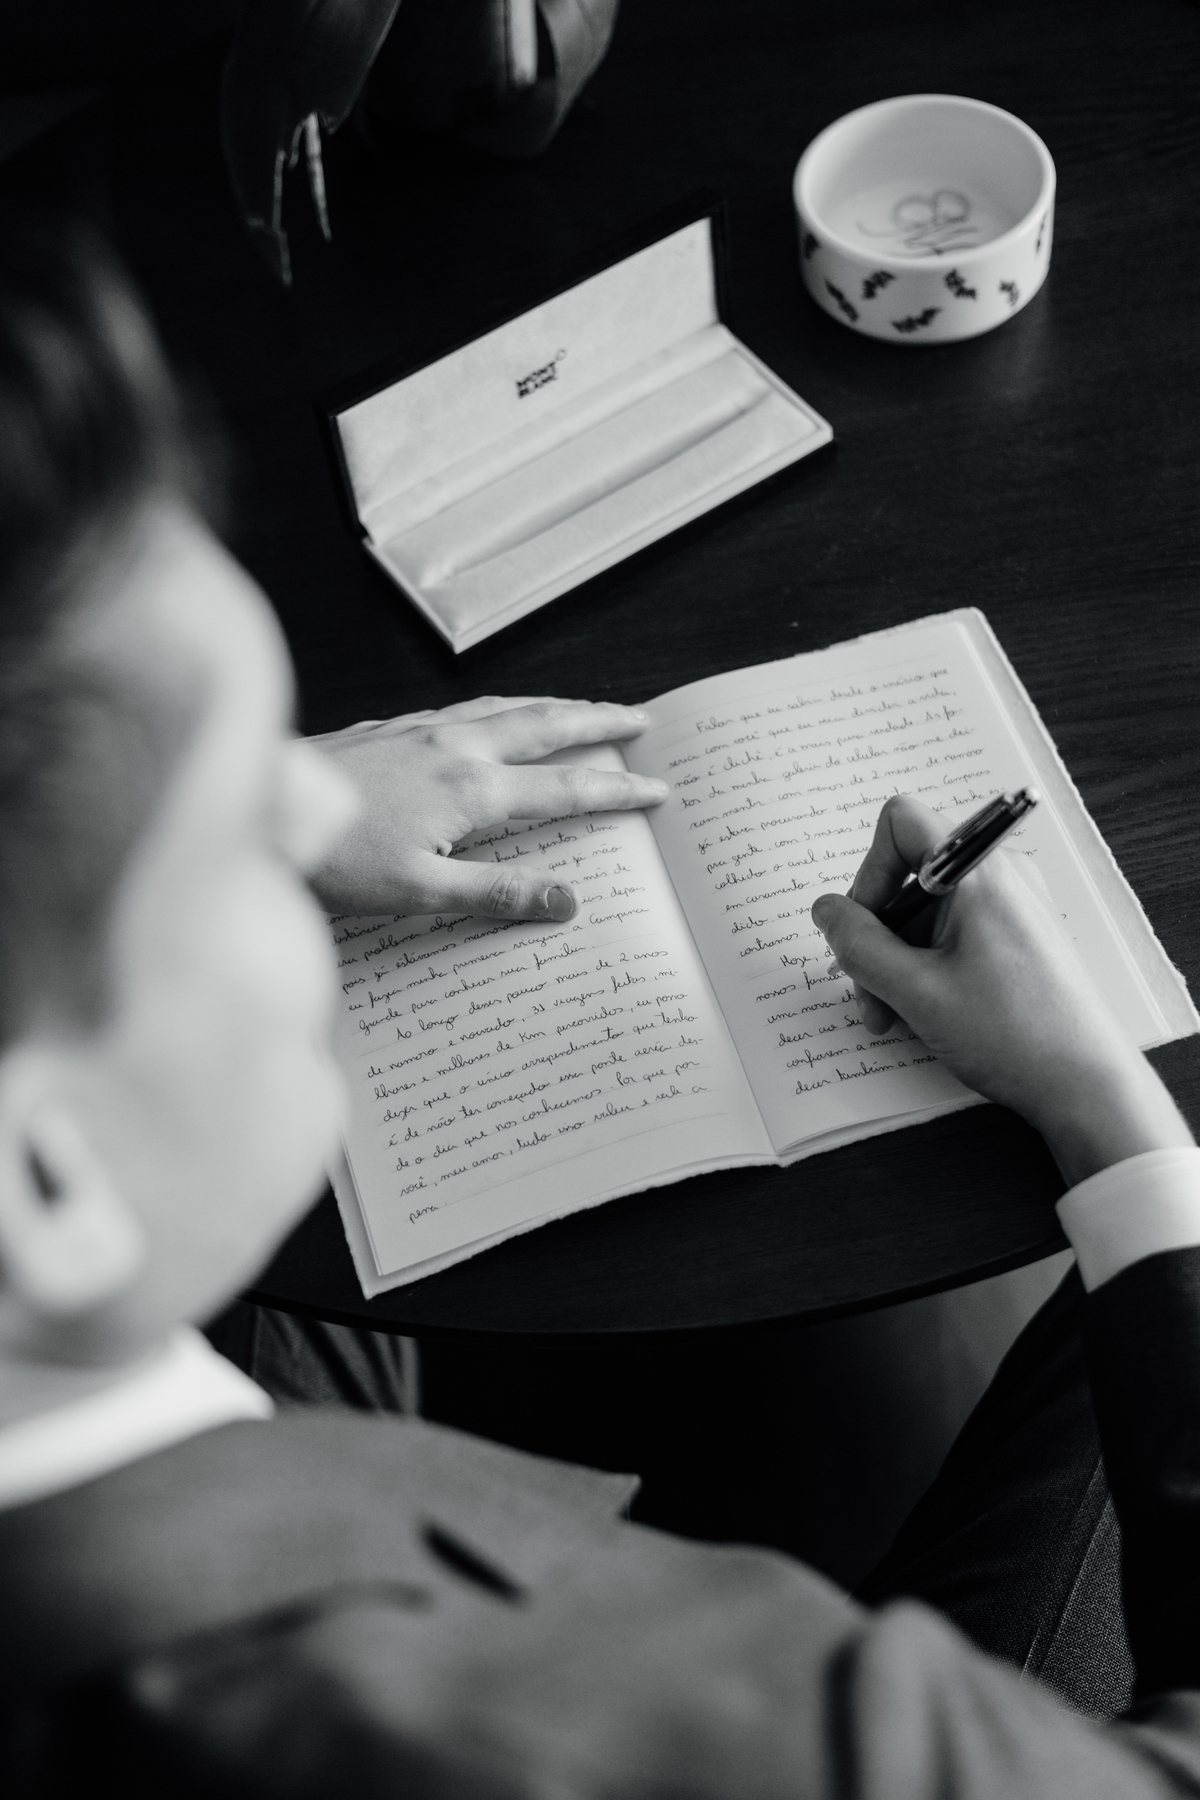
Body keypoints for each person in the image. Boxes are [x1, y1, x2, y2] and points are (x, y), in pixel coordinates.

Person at [2, 208, 1200, 1799]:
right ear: (49, 1178)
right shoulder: (709, 1728)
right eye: (239, 833)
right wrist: (1112, 1114)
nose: (320, 811)